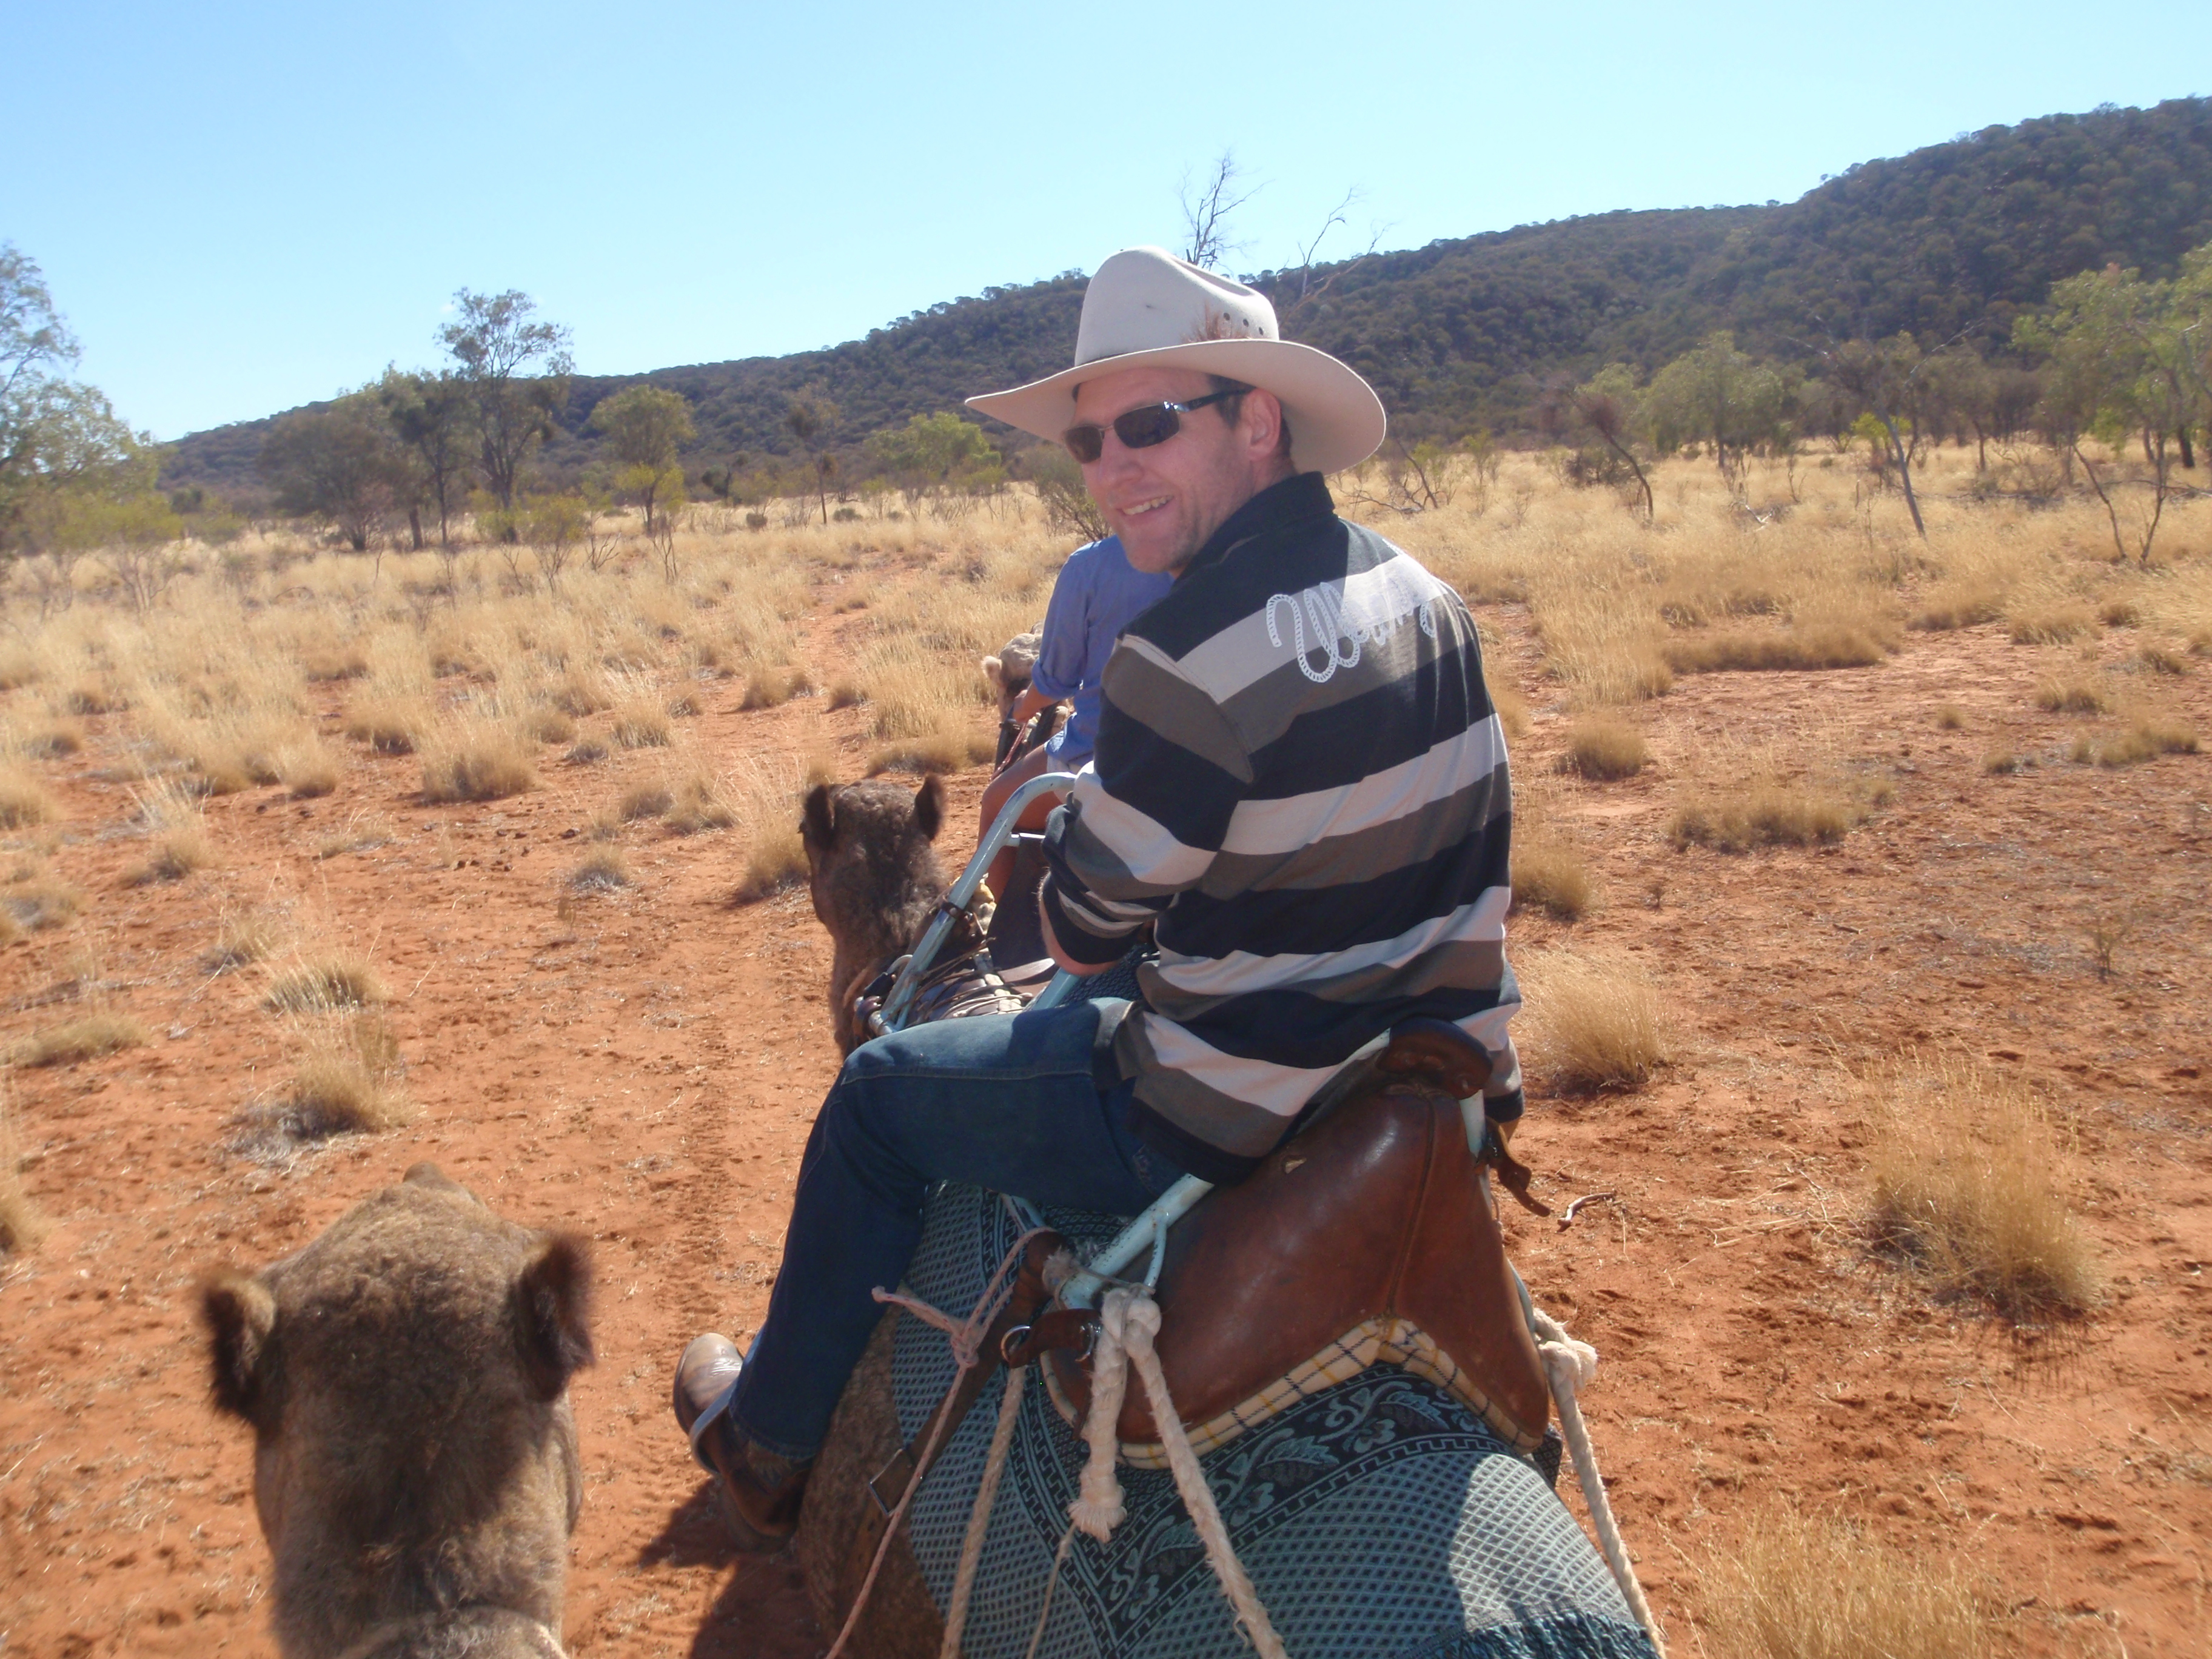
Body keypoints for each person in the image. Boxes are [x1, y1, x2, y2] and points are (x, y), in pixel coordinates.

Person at [671, 246, 1526, 1549]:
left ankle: (767, 1442)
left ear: (1257, 421)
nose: (1114, 466)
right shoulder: (1428, 595)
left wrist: (1054, 799)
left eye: (1152, 423)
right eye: (1089, 440)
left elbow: (1077, 930)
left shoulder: (1181, 657)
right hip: (1438, 1085)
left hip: (1222, 1112)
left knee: (875, 1099)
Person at [976, 531, 1171, 905]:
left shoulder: (1091, 565)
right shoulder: (1220, 550)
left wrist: (1024, 707)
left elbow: (1054, 683)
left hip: (1102, 758)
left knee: (996, 803)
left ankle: (993, 921)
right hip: (1197, 753)